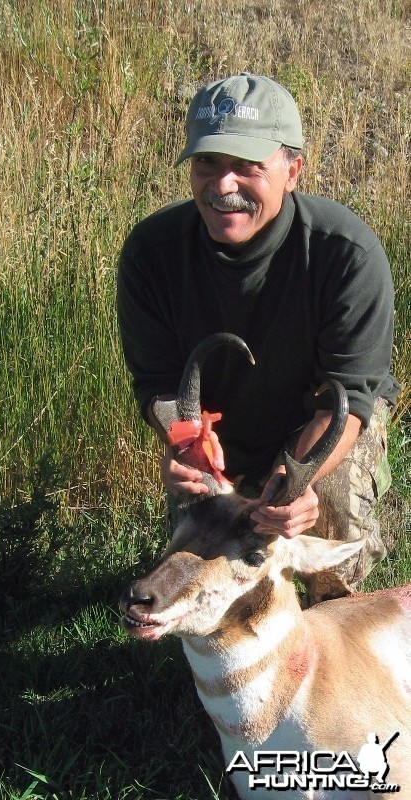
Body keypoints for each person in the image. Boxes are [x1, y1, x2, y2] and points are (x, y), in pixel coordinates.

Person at [117, 73, 400, 605]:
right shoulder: (151, 253)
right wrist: (184, 443)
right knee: (212, 550)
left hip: (319, 423)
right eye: (208, 164)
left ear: (293, 170)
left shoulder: (346, 255)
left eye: (248, 167)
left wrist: (295, 484)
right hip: (219, 433)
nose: (223, 186)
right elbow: (157, 384)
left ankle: (330, 624)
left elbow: (349, 398)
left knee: (318, 514)